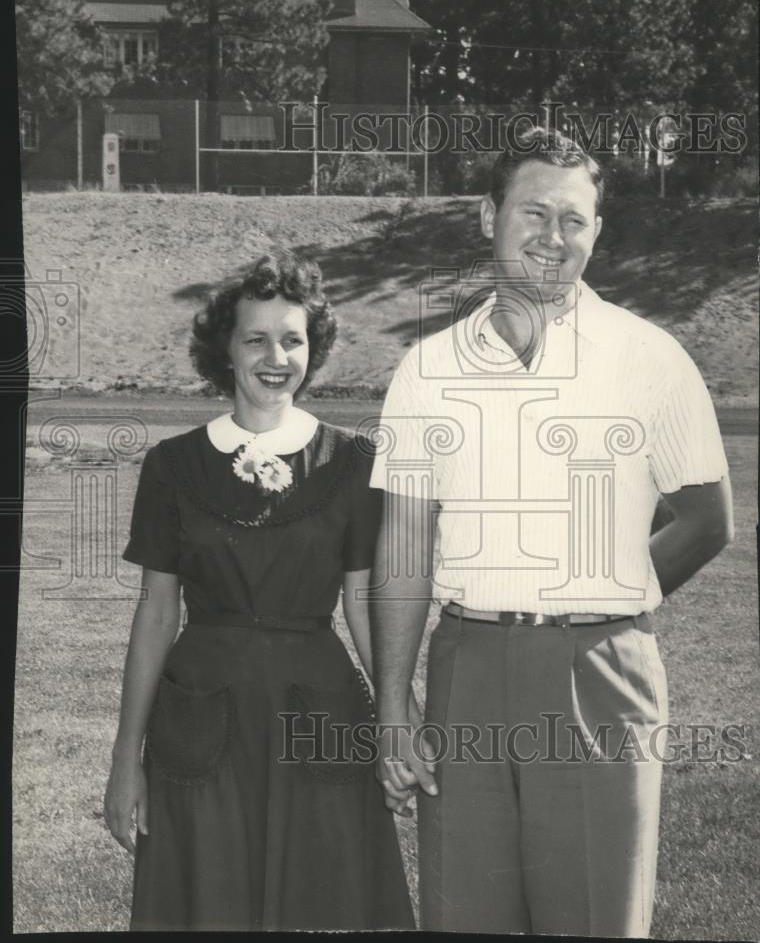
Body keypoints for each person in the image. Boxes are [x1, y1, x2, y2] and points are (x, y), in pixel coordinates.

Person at [368, 128, 733, 937]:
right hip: (468, 672)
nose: (553, 237)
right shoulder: (427, 371)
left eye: (574, 220)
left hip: (602, 676)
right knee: (467, 920)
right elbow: (402, 549)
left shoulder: (650, 357)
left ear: (597, 231)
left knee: (597, 922)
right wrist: (394, 707)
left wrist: (607, 600)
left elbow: (708, 520)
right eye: (534, 212)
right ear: (488, 215)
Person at [104, 250, 415, 932]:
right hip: (200, 719)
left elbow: (363, 602)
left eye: (293, 339)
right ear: (225, 351)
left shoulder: (354, 463)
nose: (276, 357)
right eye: (256, 339)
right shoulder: (173, 466)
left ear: (314, 348)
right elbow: (157, 612)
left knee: (326, 896)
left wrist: (399, 714)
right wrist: (126, 758)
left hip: (320, 712)